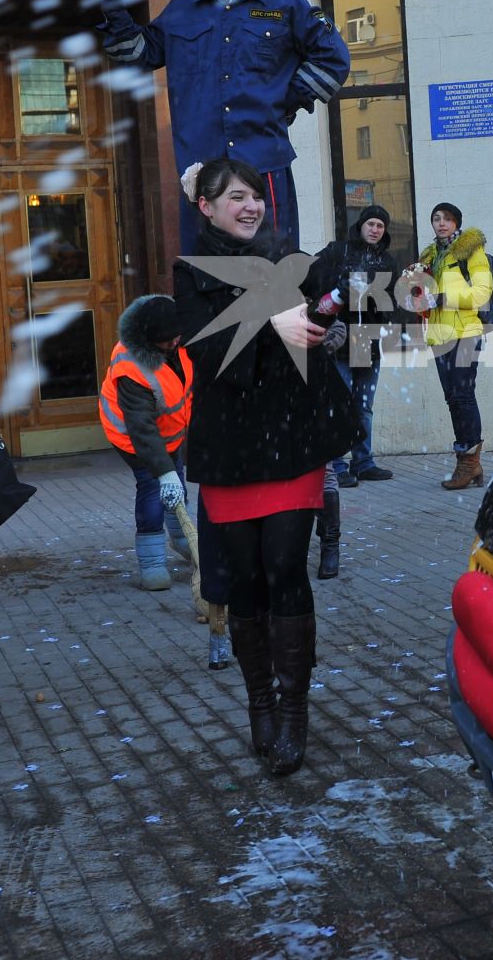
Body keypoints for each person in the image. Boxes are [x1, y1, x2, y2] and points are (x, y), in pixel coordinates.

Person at [173, 159, 360, 776]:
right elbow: (204, 350)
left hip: (291, 441)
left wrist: (329, 318)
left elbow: (327, 311)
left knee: (285, 566)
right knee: (247, 578)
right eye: (233, 197)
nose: (248, 206)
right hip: (231, 448)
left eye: (254, 195)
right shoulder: (192, 271)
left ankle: (293, 709)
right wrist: (267, 321)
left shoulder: (289, 260)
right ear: (205, 208)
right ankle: (259, 703)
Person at [98, 0, 351, 252]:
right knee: (206, 275)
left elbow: (334, 60)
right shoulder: (180, 13)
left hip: (264, 165)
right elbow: (136, 54)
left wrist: (284, 101)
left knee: (273, 269)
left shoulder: (286, 7)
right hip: (201, 171)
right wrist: (115, 9)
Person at [99, 295, 194, 592]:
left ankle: (184, 539)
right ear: (151, 339)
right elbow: (142, 429)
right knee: (155, 487)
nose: (175, 342)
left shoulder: (180, 340)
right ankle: (151, 562)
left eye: (176, 336)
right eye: (168, 340)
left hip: (170, 432)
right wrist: (164, 473)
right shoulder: (132, 368)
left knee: (175, 480)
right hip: (133, 438)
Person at [406, 202, 493, 491]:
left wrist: (443, 297)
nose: (441, 223)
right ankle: (468, 463)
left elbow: (482, 293)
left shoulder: (470, 250)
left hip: (466, 332)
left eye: (448, 219)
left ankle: (469, 463)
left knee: (464, 396)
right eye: (436, 219)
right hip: (440, 335)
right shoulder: (430, 256)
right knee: (453, 399)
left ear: (457, 223)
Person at [312, 204, 400, 491]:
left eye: (380, 226)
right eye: (371, 224)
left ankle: (363, 463)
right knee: (339, 403)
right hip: (340, 337)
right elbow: (312, 276)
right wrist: (339, 285)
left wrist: (374, 297)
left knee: (364, 406)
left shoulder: (387, 261)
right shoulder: (338, 251)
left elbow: (392, 302)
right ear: (361, 225)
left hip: (369, 339)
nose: (374, 230)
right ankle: (337, 465)